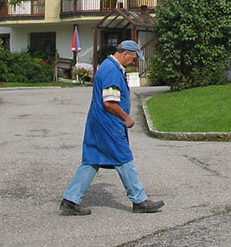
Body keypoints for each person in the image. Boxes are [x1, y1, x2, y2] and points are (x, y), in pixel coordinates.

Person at [60, 39, 164, 215]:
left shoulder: (108, 66)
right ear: (125, 54)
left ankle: (71, 200)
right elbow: (110, 103)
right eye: (133, 58)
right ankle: (139, 200)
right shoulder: (112, 71)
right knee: (124, 158)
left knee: (92, 159)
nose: (134, 62)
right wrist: (126, 118)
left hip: (97, 122)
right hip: (109, 123)